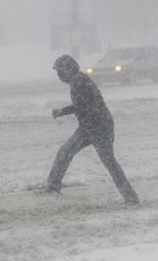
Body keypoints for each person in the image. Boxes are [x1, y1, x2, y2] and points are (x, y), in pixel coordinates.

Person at [44, 54, 140, 205]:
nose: (59, 76)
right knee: (66, 153)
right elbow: (82, 107)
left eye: (60, 72)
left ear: (68, 69)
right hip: (89, 127)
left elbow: (81, 106)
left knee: (107, 162)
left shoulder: (79, 82)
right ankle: (52, 187)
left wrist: (61, 112)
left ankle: (131, 197)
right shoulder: (77, 81)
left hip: (100, 128)